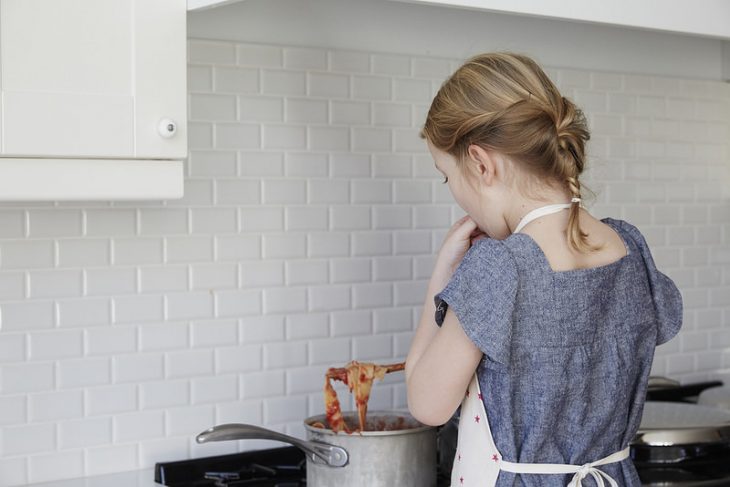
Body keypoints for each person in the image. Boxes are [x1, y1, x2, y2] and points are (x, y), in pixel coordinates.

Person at [404, 51, 684, 487]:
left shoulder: (499, 268)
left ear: (481, 164)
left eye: (447, 175)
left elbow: (427, 404)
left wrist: (443, 278)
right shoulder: (629, 246)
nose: (452, 192)